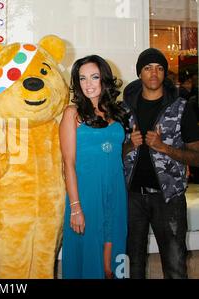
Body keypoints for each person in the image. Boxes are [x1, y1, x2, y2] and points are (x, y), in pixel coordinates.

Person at [123, 48, 199, 279]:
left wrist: (164, 147)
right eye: (147, 68)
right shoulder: (123, 110)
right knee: (131, 264)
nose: (153, 73)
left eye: (159, 68)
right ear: (140, 74)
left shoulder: (181, 108)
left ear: (165, 73)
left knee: (175, 265)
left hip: (169, 198)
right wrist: (129, 146)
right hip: (131, 197)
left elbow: (196, 156)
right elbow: (109, 153)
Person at [60, 55, 128, 279]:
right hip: (86, 198)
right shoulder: (72, 114)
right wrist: (76, 208)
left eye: (94, 77)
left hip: (116, 193)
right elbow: (67, 164)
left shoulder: (116, 112)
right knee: (90, 261)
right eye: (82, 78)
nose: (88, 84)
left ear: (104, 79)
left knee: (114, 263)